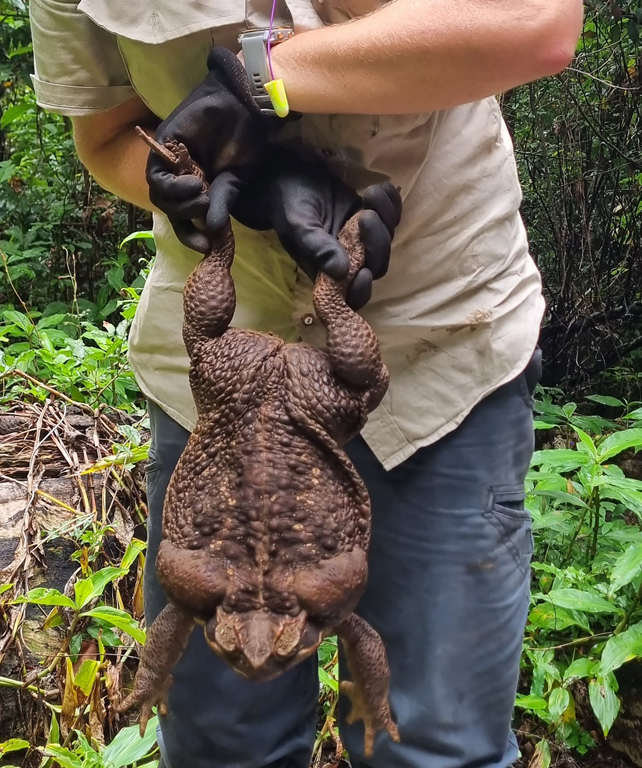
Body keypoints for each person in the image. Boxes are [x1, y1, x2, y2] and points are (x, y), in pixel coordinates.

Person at [29, 2, 583, 767]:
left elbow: (538, 23)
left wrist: (260, 79)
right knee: (224, 745)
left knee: (435, 746)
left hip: (439, 339)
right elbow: (103, 137)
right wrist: (190, 186)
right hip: (218, 380)